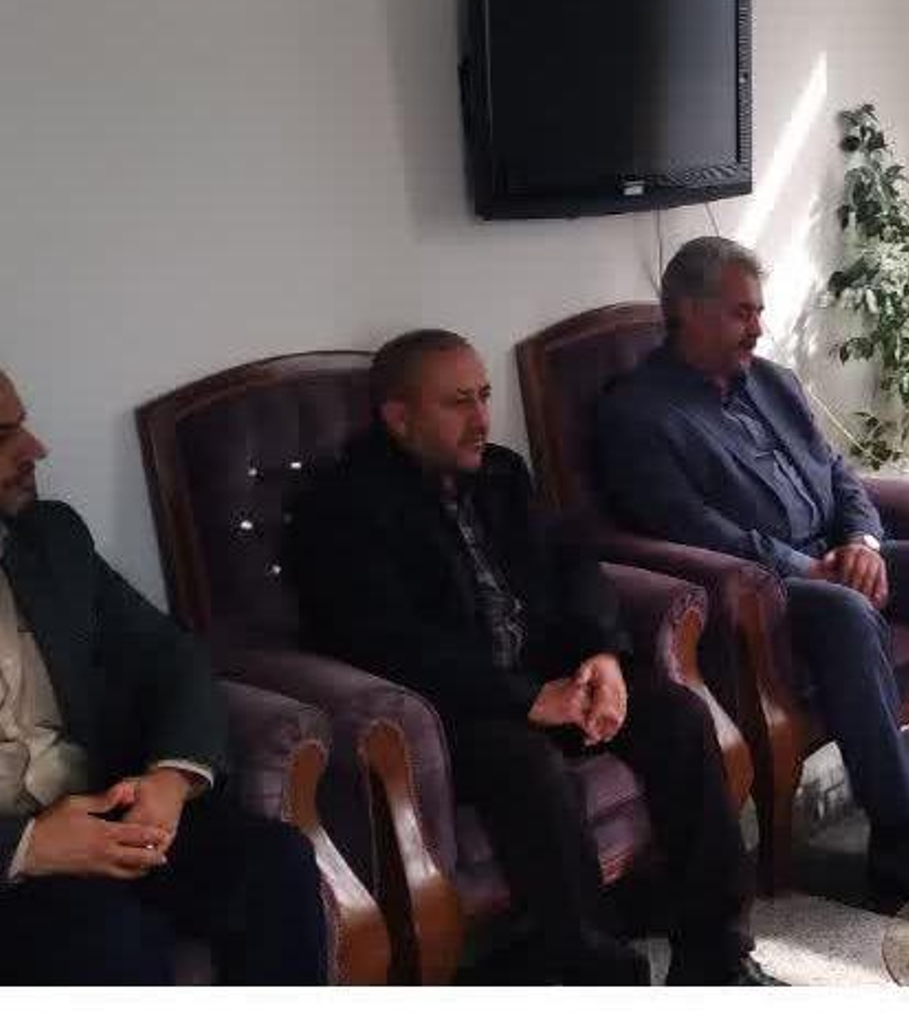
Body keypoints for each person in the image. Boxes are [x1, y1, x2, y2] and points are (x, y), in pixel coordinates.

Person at [285, 329, 767, 986]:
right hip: (457, 710)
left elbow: (575, 565)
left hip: (549, 673)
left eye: (483, 396)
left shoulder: (502, 473)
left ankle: (717, 956)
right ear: (399, 417)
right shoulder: (343, 509)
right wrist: (527, 700)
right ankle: (601, 979)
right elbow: (387, 642)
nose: (482, 418)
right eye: (458, 402)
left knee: (678, 715)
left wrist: (603, 655)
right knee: (531, 768)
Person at [596, 237, 909, 902]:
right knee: (847, 610)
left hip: (833, 554)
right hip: (764, 588)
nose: (757, 328)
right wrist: (806, 568)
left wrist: (863, 543)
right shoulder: (638, 413)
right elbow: (688, 527)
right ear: (688, 313)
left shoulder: (772, 382)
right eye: (741, 313)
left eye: (759, 311)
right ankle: (900, 835)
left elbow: (840, 475)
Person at [0, 340, 325, 984]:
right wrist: (30, 846)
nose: (34, 449)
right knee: (110, 942)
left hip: (102, 812)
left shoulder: (51, 537)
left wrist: (171, 779)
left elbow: (172, 656)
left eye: (22, 425)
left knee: (275, 864)